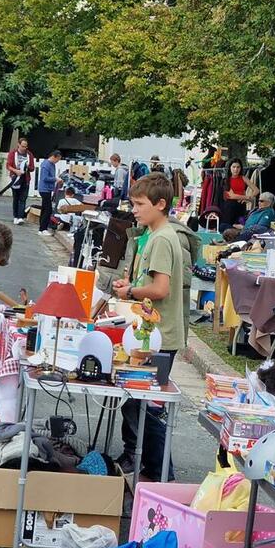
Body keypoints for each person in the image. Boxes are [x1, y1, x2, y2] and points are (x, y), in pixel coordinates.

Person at [112, 172, 184, 482]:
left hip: (158, 337)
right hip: (149, 334)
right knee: (134, 402)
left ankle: (160, 473)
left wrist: (130, 292)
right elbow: (150, 283)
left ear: (161, 204)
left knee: (146, 408)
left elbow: (161, 289)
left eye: (140, 204)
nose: (135, 210)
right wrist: (132, 285)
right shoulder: (154, 236)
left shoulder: (163, 238)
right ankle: (138, 460)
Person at [220, 158, 259, 231]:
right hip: (229, 207)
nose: (236, 169)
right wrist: (247, 197)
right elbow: (231, 196)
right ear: (230, 168)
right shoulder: (226, 180)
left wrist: (246, 198)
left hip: (241, 206)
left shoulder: (244, 178)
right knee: (228, 228)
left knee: (240, 227)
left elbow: (256, 190)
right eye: (234, 167)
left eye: (238, 167)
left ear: (241, 168)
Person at [6, 138, 35, 225]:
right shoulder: (13, 153)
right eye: (22, 146)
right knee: (16, 198)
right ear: (18, 144)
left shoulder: (29, 154)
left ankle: (20, 217)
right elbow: (8, 165)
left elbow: (32, 168)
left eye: (26, 146)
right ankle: (15, 216)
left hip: (25, 178)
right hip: (16, 178)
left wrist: (27, 168)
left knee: (23, 198)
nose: (24, 148)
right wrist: (16, 171)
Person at [38, 150, 63, 236]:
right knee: (48, 210)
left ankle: (42, 228)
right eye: (57, 159)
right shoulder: (46, 165)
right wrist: (55, 179)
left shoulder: (52, 165)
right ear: (54, 156)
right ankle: (43, 228)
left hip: (48, 189)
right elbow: (45, 178)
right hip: (44, 189)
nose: (57, 161)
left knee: (44, 208)